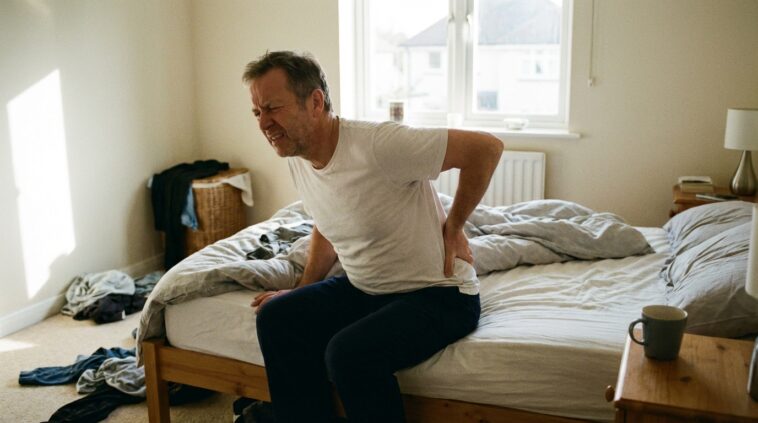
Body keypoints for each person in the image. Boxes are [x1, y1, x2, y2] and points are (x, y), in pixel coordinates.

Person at [242, 50, 503, 423]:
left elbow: (486, 148)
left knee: (347, 353)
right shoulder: (299, 158)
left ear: (315, 102)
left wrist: (455, 225)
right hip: (367, 289)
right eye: (257, 112)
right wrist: (301, 289)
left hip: (439, 296)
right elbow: (327, 223)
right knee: (276, 317)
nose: (263, 123)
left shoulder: (378, 144)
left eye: (272, 108)